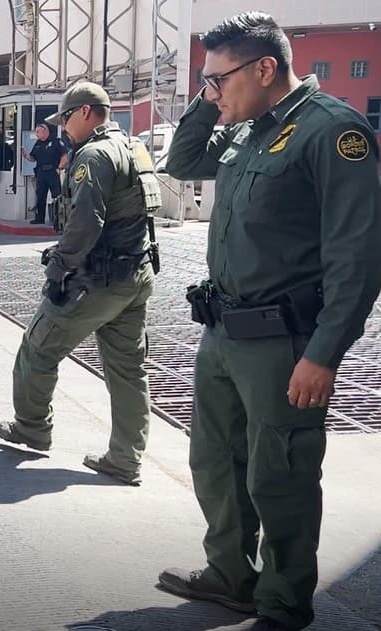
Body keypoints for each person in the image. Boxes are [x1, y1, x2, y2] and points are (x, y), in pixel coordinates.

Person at [155, 13, 381, 631]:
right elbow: (181, 161)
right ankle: (231, 575)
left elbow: (357, 259)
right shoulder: (246, 131)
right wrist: (209, 103)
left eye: (218, 79)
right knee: (215, 463)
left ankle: (282, 602)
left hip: (284, 344)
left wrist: (325, 353)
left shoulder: (332, 133)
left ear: (264, 69)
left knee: (280, 474)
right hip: (222, 334)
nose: (212, 91)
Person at [0, 81, 160, 487]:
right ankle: (125, 458)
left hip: (96, 279)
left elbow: (85, 224)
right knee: (128, 369)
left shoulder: (93, 157)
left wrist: (58, 269)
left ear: (85, 112)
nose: (63, 127)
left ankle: (31, 428)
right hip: (135, 276)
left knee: (38, 345)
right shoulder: (133, 147)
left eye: (65, 118)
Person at [21, 123, 69, 224]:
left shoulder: (56, 141)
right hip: (41, 173)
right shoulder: (38, 143)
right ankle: (40, 218)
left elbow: (64, 156)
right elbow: (33, 158)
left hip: (53, 172)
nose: (37, 134)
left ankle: (58, 219)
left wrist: (59, 168)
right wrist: (26, 157)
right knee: (40, 196)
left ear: (45, 131)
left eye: (38, 132)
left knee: (57, 196)